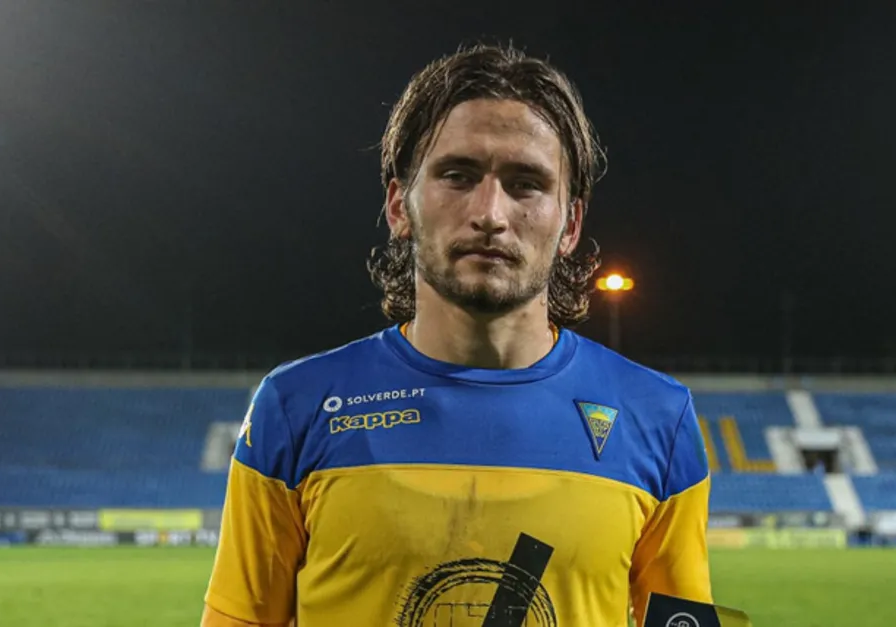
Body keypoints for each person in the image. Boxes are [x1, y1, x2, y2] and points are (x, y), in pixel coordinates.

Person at [202, 43, 714, 627]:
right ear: (400, 205)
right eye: (458, 175)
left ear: (570, 223)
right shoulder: (296, 406)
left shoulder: (658, 418)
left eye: (526, 184)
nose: (490, 213)